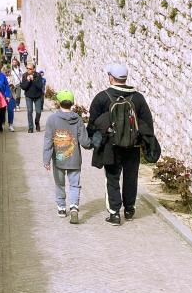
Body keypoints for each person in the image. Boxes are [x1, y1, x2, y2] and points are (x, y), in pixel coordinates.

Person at [88, 62, 155, 226]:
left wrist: (95, 143)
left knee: (112, 178)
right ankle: (130, 210)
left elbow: (93, 124)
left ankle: (114, 213)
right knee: (131, 177)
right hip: (133, 146)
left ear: (111, 77)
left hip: (111, 146)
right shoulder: (138, 98)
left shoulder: (102, 97)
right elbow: (147, 124)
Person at [43, 89, 91, 223]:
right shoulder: (78, 119)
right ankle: (74, 206)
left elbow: (48, 141)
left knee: (59, 184)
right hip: (74, 158)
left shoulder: (51, 119)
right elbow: (84, 141)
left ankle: (61, 208)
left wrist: (46, 159)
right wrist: (92, 143)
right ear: (73, 103)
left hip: (58, 159)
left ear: (58, 102)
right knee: (75, 184)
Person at [20, 61, 45, 132]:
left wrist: (33, 80)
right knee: (29, 111)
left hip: (37, 96)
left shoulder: (38, 75)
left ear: (34, 69)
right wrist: (28, 81)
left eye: (30, 69)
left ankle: (37, 122)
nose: (28, 70)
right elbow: (23, 87)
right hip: (29, 96)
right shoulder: (25, 75)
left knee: (38, 112)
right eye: (27, 68)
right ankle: (31, 127)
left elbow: (40, 86)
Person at [2, 63, 17, 132]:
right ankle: (2, 124)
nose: (7, 73)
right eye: (6, 72)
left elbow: (14, 87)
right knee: (3, 111)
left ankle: (10, 125)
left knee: (10, 110)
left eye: (8, 72)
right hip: (3, 96)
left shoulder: (12, 77)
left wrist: (12, 86)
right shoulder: (1, 77)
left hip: (11, 96)